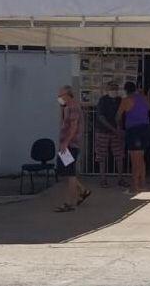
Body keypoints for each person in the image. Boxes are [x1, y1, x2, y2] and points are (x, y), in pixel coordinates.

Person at [54, 85, 91, 213]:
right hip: (66, 144)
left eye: (61, 95)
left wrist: (66, 142)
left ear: (68, 95)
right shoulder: (67, 107)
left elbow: (73, 127)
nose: (59, 98)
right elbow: (63, 124)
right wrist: (62, 109)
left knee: (70, 174)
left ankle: (69, 202)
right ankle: (83, 191)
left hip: (70, 145)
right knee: (65, 172)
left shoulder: (73, 107)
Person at [116, 81, 150, 193]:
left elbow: (118, 116)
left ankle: (134, 186)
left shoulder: (126, 100)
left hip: (134, 131)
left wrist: (119, 128)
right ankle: (143, 184)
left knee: (135, 160)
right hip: (145, 129)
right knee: (141, 158)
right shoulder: (144, 98)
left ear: (125, 90)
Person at [94, 81, 127, 188]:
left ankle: (120, 179)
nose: (114, 90)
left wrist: (120, 129)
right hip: (103, 131)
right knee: (101, 156)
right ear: (107, 89)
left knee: (119, 155)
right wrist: (114, 129)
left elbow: (122, 116)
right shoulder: (103, 100)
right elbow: (101, 117)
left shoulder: (120, 100)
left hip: (116, 132)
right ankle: (103, 179)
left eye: (115, 88)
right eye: (112, 88)